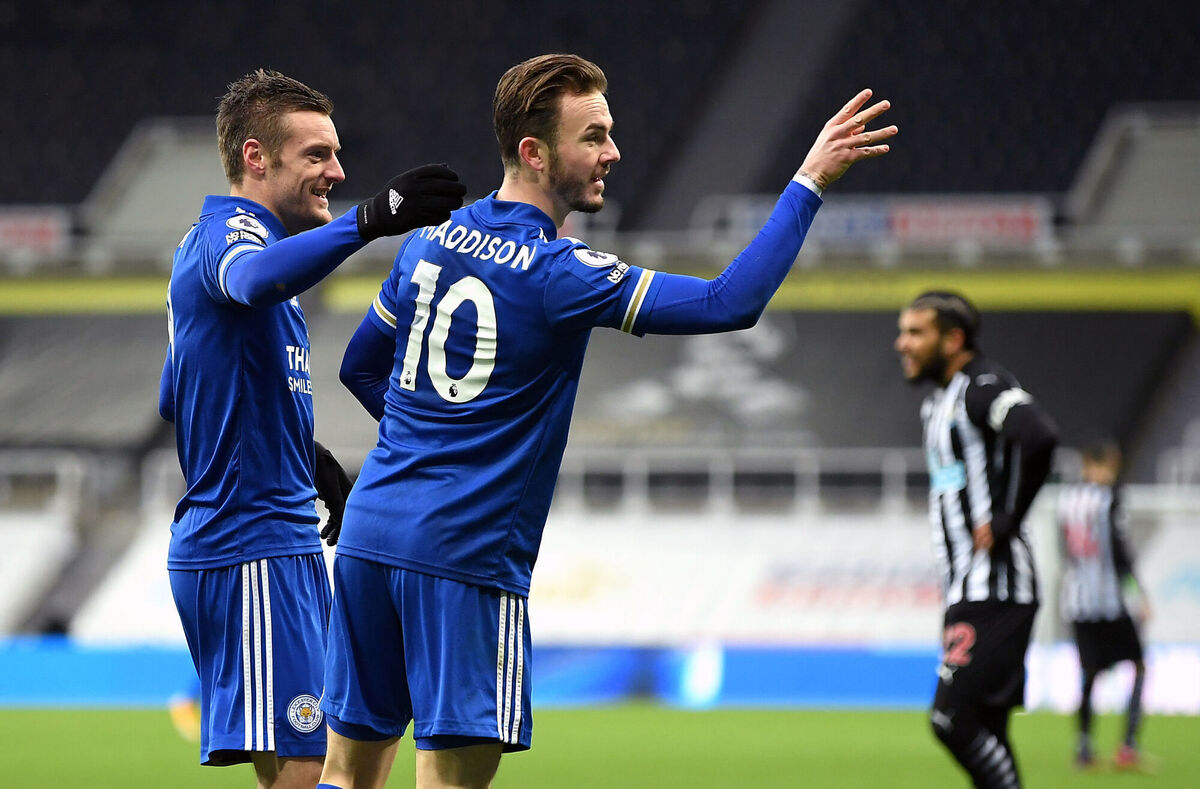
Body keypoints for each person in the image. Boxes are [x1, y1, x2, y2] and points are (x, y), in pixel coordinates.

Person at [317, 53, 896, 789]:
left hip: (370, 535)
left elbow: (359, 367)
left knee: (346, 774)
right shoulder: (562, 272)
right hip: (463, 554)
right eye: (593, 136)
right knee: (450, 781)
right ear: (533, 152)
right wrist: (809, 182)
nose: (613, 153)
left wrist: (426, 443)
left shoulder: (426, 243)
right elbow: (728, 302)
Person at [158, 68, 465, 788]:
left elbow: (180, 391)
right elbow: (250, 280)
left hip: (270, 538)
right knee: (313, 763)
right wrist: (372, 219)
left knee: (326, 754)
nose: (339, 170)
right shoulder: (233, 233)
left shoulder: (219, 249)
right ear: (257, 157)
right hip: (249, 543)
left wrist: (305, 452)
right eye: (318, 155)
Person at [895, 291, 1059, 789]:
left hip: (998, 588)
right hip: (966, 590)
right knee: (986, 728)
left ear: (954, 339)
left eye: (915, 332)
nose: (902, 343)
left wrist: (1010, 516)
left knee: (952, 718)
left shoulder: (981, 387)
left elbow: (1040, 434)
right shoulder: (936, 404)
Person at [1057, 439, 1149, 770]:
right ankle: (1128, 746)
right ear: (1106, 462)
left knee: (1089, 672)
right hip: (1109, 601)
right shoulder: (1109, 499)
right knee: (1138, 665)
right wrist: (1137, 594)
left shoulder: (1065, 500)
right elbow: (1120, 553)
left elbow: (1064, 551)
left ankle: (1083, 748)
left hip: (1077, 601)